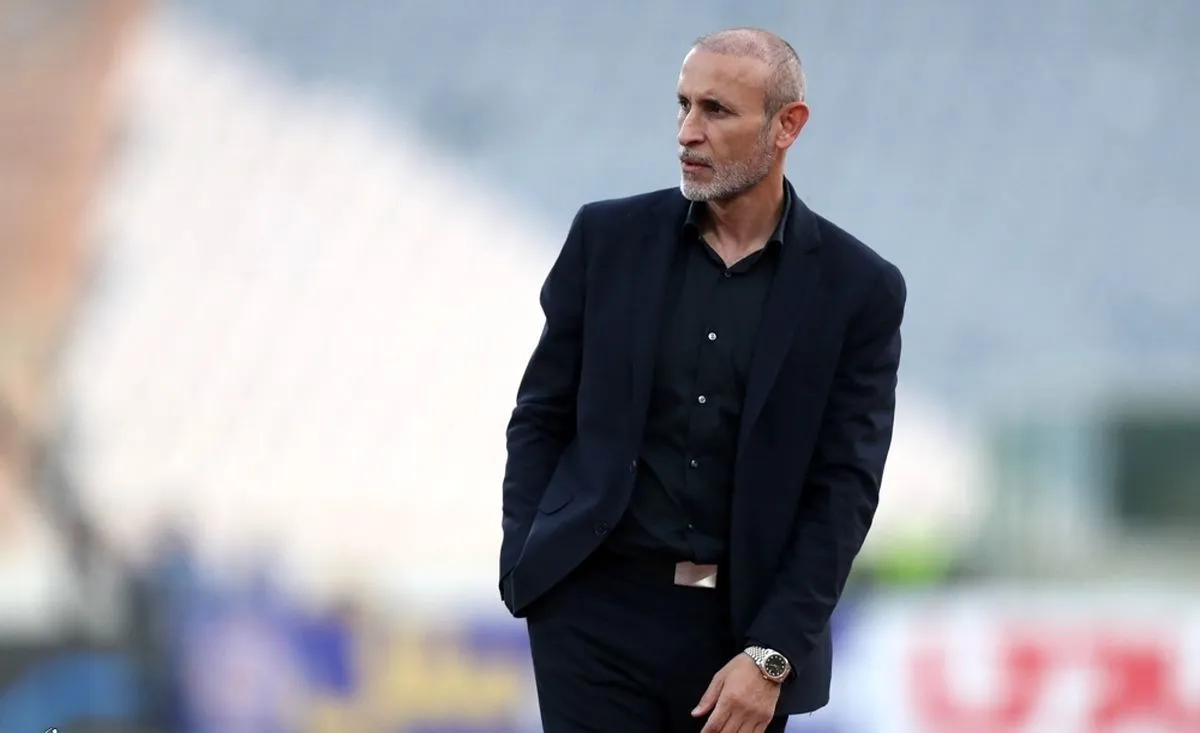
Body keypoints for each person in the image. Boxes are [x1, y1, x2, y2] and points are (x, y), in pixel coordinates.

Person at [500, 27, 906, 733]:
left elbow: (844, 490)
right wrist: (526, 563)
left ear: (787, 125)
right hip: (590, 614)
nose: (688, 131)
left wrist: (773, 654)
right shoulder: (606, 239)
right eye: (683, 105)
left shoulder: (858, 288)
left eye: (716, 110)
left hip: (741, 640)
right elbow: (540, 414)